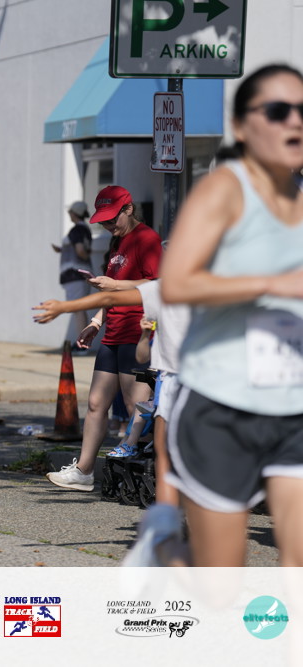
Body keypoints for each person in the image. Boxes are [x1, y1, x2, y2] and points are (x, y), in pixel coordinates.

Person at [161, 64, 303, 567]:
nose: (296, 121)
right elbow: (176, 283)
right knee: (220, 581)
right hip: (220, 404)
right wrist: (270, 284)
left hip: (292, 404)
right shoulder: (224, 189)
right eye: (279, 110)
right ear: (242, 126)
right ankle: (168, 559)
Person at [34, 276, 192, 565]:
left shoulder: (205, 286)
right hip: (169, 384)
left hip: (200, 384)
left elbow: (110, 295)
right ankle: (170, 524)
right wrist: (136, 331)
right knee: (164, 454)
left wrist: (64, 306)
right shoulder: (164, 288)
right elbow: (110, 299)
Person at [45, 185, 162, 491]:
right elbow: (112, 292)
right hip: (113, 334)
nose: (109, 225)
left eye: (113, 218)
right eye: (104, 220)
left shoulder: (146, 239)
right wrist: (96, 322)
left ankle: (146, 475)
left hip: (137, 333)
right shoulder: (118, 242)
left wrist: (115, 286)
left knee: (137, 408)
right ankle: (84, 471)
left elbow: (157, 284)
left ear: (128, 209)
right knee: (97, 403)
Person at [52, 201, 94, 348]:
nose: (69, 214)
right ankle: (82, 343)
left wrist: (83, 256)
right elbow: (80, 249)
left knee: (78, 309)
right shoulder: (84, 229)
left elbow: (80, 250)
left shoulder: (77, 230)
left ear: (75, 213)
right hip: (79, 275)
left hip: (75, 275)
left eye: (70, 212)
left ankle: (82, 344)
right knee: (79, 309)